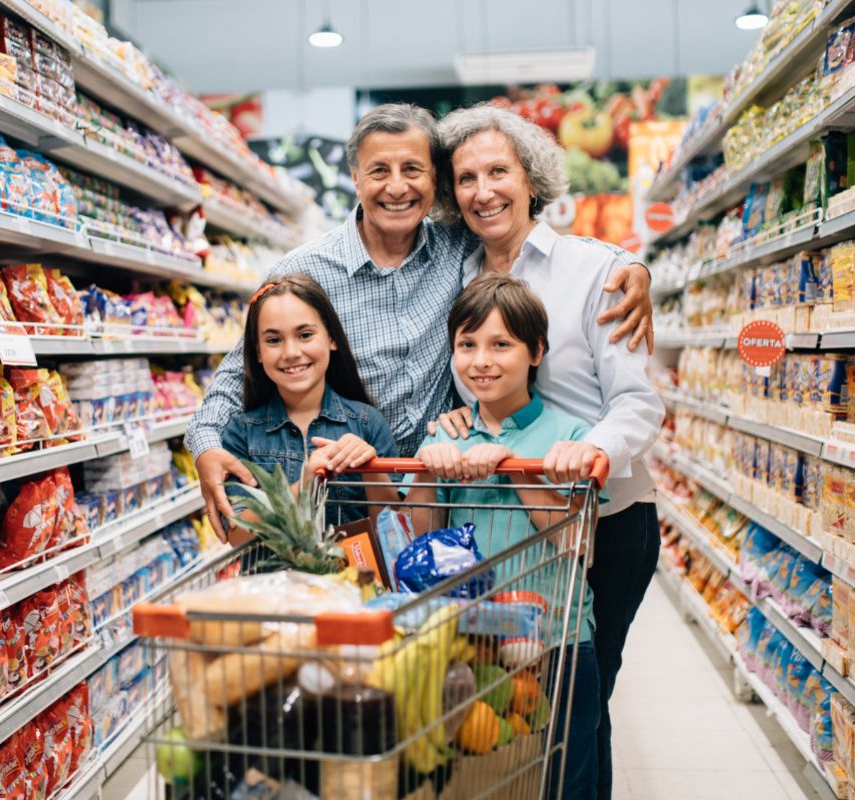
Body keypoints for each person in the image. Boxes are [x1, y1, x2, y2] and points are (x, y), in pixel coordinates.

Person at [187, 103, 655, 541]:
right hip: (361, 498)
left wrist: (632, 267)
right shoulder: (307, 271)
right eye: (378, 171)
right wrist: (206, 443)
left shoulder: (457, 248)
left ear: (433, 182)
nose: (397, 187)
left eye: (412, 170)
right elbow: (239, 369)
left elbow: (532, 238)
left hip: (490, 496)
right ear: (354, 178)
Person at [431, 103, 665, 800]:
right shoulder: (453, 272)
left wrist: (581, 452)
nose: (483, 191)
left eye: (497, 171)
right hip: (506, 531)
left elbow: (637, 403)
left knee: (581, 705)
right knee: (525, 709)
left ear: (531, 178)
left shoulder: (597, 271)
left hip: (607, 523)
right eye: (466, 178)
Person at [406, 272, 600, 800]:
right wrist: (428, 469)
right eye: (467, 345)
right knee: (479, 781)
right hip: (472, 642)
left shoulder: (572, 437)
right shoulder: (447, 433)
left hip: (559, 640)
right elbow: (419, 537)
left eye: (501, 345)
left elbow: (577, 545)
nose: (481, 361)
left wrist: (515, 467)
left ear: (536, 351)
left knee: (564, 778)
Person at [219, 273, 398, 543]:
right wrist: (304, 484)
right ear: (257, 352)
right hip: (277, 583)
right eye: (273, 340)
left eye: (305, 335)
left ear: (331, 338)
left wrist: (372, 468)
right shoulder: (240, 433)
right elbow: (237, 536)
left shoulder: (367, 422)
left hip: (354, 580)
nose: (291, 352)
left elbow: (393, 531)